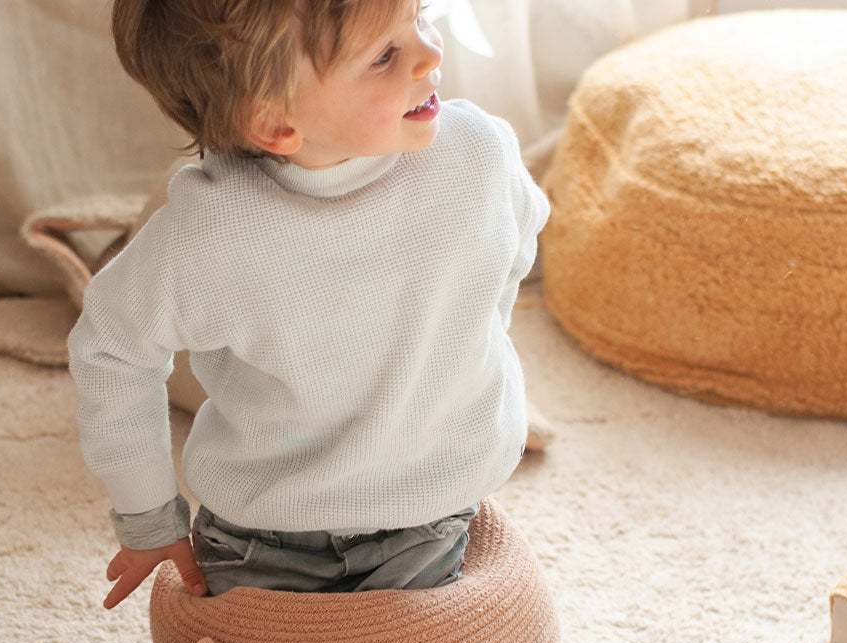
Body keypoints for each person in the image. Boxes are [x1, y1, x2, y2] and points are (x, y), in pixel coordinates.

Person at [68, 0, 549, 607]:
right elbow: (111, 349)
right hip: (259, 531)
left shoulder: (477, 155)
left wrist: (469, 370)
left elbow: (514, 248)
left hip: (425, 511)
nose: (431, 53)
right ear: (275, 124)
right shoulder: (210, 232)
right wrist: (147, 515)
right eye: (385, 55)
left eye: (421, 14)